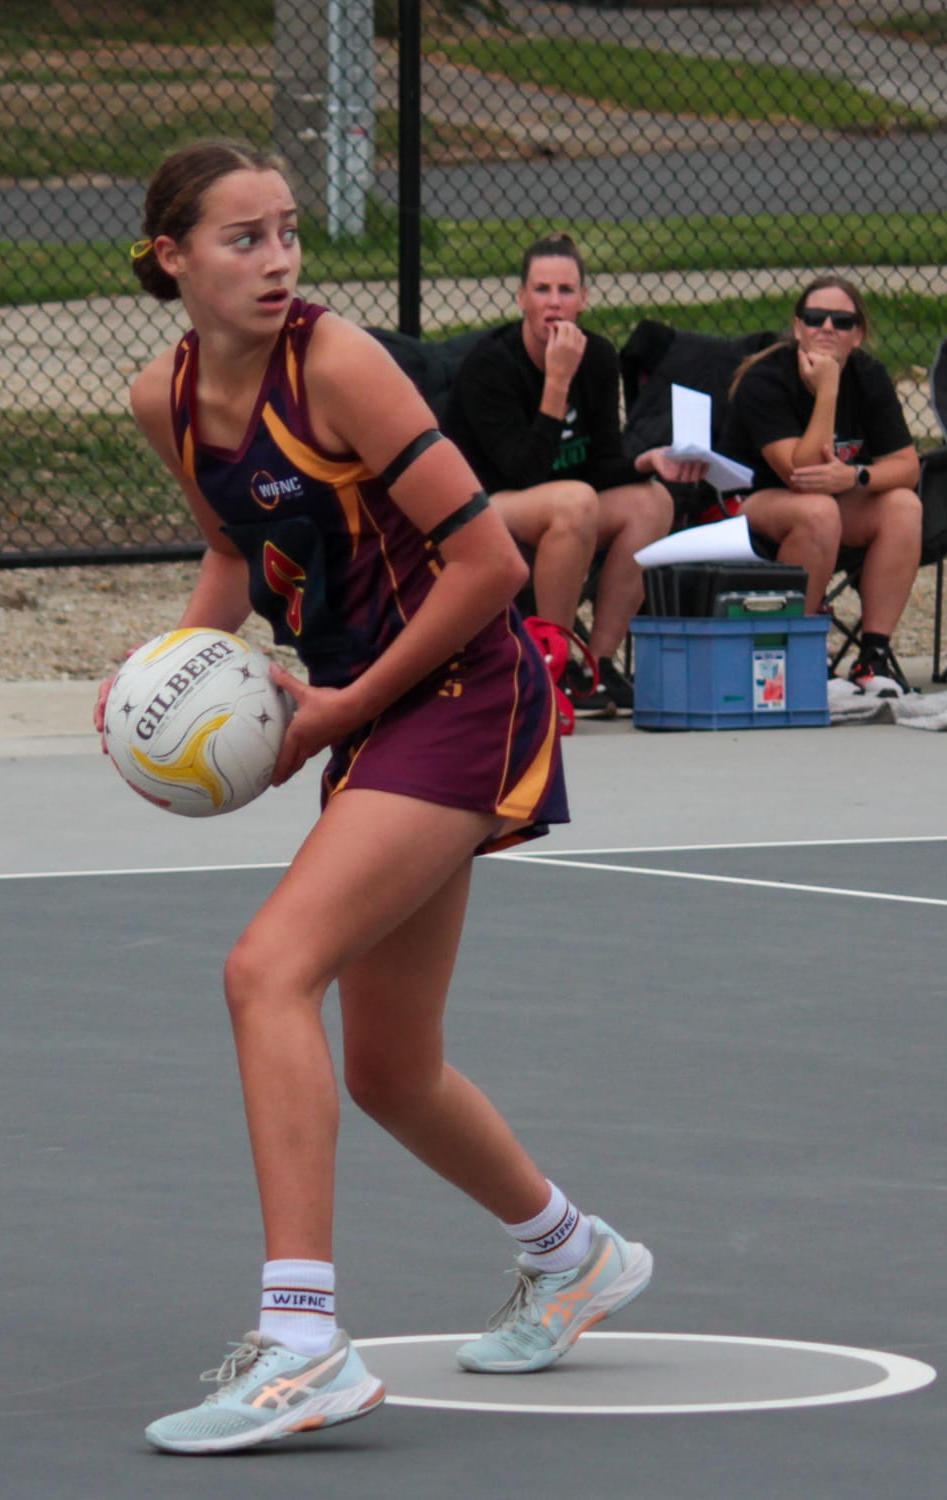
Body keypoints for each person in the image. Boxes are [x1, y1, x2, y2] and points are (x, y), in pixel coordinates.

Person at [96, 141, 652, 1456]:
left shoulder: (341, 366)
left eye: (288, 231)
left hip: (462, 694)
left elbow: (483, 563)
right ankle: (575, 1256)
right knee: (391, 1071)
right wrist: (170, 685)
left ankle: (301, 1346)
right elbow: (237, 551)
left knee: (265, 971)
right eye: (244, 238)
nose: (280, 258)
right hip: (377, 711)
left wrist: (342, 710)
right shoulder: (163, 397)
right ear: (172, 259)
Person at [443, 233, 705, 715]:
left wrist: (645, 462)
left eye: (566, 291)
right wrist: (557, 382)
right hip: (487, 507)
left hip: (563, 504)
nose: (554, 303)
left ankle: (596, 666)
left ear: (584, 299)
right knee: (575, 501)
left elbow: (600, 461)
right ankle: (551, 666)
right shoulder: (491, 366)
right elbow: (524, 472)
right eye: (542, 290)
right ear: (522, 298)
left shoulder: (598, 356)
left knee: (653, 501)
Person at [721, 276, 922, 690]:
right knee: (818, 510)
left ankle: (873, 658)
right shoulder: (767, 378)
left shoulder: (869, 375)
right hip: (750, 507)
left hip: (829, 501)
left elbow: (907, 466)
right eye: (815, 318)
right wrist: (827, 391)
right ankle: (797, 653)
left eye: (842, 321)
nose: (827, 328)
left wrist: (856, 475)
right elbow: (801, 474)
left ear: (858, 334)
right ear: (798, 328)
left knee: (904, 506)